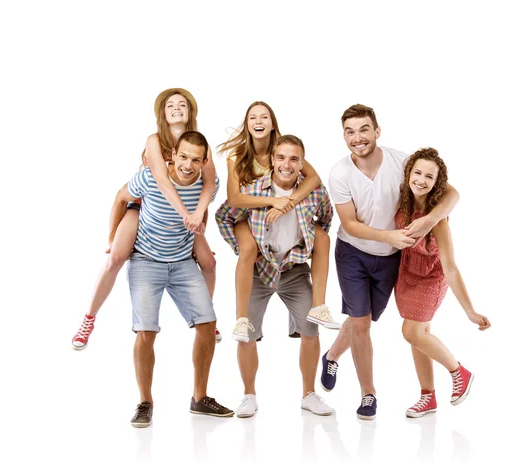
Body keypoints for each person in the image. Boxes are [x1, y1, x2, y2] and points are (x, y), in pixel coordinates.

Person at [320, 104, 460, 420]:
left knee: (364, 319)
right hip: (352, 252)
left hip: (389, 259)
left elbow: (451, 194)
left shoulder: (401, 162)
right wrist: (389, 237)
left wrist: (429, 222)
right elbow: (351, 224)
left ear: (377, 131)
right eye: (350, 131)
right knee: (361, 322)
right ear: (343, 135)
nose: (357, 138)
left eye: (364, 129)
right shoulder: (339, 173)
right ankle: (368, 395)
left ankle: (331, 355)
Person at [71, 88, 221, 350]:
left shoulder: (200, 145)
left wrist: (199, 220)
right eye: (170, 105)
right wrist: (111, 235)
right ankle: (89, 318)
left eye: (182, 104)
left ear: (191, 111)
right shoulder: (155, 141)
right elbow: (162, 183)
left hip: (180, 217)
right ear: (162, 113)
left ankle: (205, 317)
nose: (176, 108)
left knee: (208, 261)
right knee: (116, 257)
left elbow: (207, 187)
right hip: (143, 206)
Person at [110, 130, 233, 427]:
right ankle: (144, 402)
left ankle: (199, 397)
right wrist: (112, 237)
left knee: (207, 325)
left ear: (204, 161)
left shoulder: (209, 185)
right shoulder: (151, 178)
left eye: (195, 160)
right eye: (183, 157)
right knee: (146, 332)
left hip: (182, 262)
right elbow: (120, 197)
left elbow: (202, 213)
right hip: (146, 261)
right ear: (173, 155)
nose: (187, 165)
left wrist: (199, 237)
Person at [215, 135, 335, 418]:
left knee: (311, 331)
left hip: (294, 272)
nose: (286, 164)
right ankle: (248, 394)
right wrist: (243, 248)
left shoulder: (314, 192)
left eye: (294, 159)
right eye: (281, 157)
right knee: (246, 335)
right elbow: (223, 217)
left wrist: (304, 247)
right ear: (271, 160)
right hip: (259, 272)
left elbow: (325, 220)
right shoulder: (254, 191)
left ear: (302, 163)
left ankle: (309, 394)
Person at [217, 101, 339, 343]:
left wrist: (290, 203)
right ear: (247, 124)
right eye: (253, 117)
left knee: (322, 238)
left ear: (273, 124)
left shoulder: (285, 148)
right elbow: (234, 199)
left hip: (284, 211)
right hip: (247, 214)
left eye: (264, 117)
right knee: (249, 249)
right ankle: (242, 319)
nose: (259, 122)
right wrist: (272, 203)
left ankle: (318, 306)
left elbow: (313, 178)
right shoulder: (238, 154)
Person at [394, 148, 491, 418]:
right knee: (418, 337)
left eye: (429, 176)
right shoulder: (402, 200)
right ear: (408, 174)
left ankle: (459, 371)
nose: (421, 180)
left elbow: (450, 266)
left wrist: (470, 311)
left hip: (431, 279)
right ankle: (428, 397)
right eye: (417, 173)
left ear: (437, 183)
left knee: (411, 332)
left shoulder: (438, 219)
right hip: (406, 274)